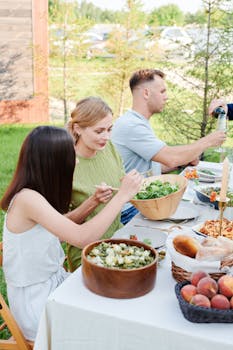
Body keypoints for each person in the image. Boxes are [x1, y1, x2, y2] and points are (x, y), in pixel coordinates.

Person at [0, 126, 142, 341]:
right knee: (114, 322)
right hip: (37, 305)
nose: (75, 161)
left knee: (120, 297)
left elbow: (61, 226)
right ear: (53, 161)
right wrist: (121, 196)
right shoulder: (28, 199)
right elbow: (82, 238)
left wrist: (92, 202)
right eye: (70, 155)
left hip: (55, 285)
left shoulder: (35, 194)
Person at [66, 96, 139, 271]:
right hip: (87, 251)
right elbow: (60, 227)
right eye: (99, 131)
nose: (106, 137)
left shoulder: (109, 148)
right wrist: (93, 202)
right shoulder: (66, 164)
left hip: (119, 238)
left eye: (109, 129)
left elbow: (121, 185)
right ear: (78, 129)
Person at [111, 69, 226, 174]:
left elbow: (151, 167)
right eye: (162, 92)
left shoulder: (137, 121)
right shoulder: (131, 125)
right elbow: (171, 158)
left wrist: (183, 162)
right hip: (132, 196)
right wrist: (208, 141)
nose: (166, 97)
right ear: (146, 93)